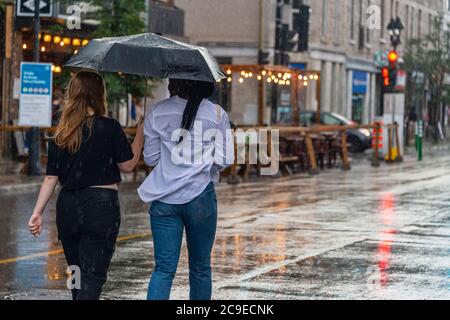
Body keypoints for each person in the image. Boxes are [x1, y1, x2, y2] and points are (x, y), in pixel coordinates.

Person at [28, 70, 145, 300]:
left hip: (68, 208)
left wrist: (37, 212)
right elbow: (128, 165)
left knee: (76, 272)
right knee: (93, 275)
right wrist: (141, 134)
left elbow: (50, 177)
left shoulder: (62, 132)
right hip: (100, 208)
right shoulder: (109, 126)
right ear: (99, 94)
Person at [138, 79, 234, 300]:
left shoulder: (157, 111)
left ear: (175, 82)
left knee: (163, 269)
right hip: (201, 198)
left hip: (163, 200)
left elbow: (151, 158)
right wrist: (203, 162)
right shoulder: (217, 114)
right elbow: (225, 159)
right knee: (200, 268)